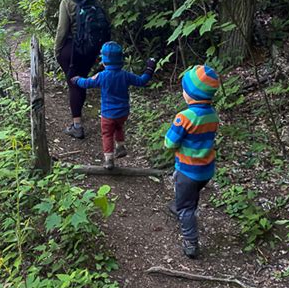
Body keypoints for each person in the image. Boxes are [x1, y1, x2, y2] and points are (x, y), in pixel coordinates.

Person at [164, 65, 220, 259]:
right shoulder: (212, 115)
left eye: (184, 89)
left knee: (186, 208)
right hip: (206, 169)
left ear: (191, 95)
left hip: (187, 170)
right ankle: (181, 204)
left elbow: (170, 143)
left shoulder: (184, 117)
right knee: (191, 193)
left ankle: (191, 242)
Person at [71, 42, 156, 169]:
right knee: (119, 127)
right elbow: (142, 81)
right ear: (121, 60)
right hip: (123, 113)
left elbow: (87, 83)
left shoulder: (102, 76)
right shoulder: (125, 75)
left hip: (108, 114)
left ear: (104, 61)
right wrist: (149, 68)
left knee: (107, 134)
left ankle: (109, 160)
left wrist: (77, 80)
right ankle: (120, 146)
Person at [55, 0, 110, 139]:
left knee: (73, 84)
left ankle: (77, 126)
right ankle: (78, 120)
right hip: (91, 49)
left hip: (72, 50)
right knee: (80, 81)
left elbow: (62, 30)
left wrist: (57, 51)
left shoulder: (67, 1)